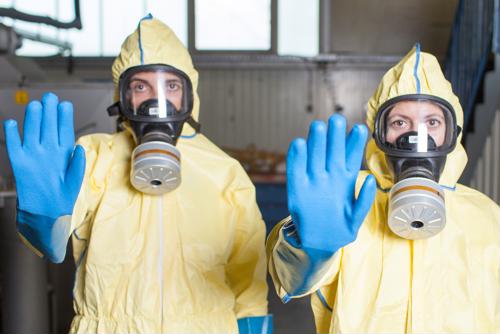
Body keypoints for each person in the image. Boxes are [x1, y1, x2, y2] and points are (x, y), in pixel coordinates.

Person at [3, 15, 272, 333]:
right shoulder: (93, 156)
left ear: (189, 96)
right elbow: (53, 244)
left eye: (171, 86)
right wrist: (43, 216)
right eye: (141, 86)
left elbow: (249, 279)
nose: (157, 101)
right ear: (122, 97)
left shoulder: (225, 172)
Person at [266, 44, 499, 333]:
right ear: (380, 135)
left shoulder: (487, 217)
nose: (416, 138)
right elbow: (291, 282)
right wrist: (308, 248)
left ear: (452, 133)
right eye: (400, 122)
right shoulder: (347, 198)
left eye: (432, 122)